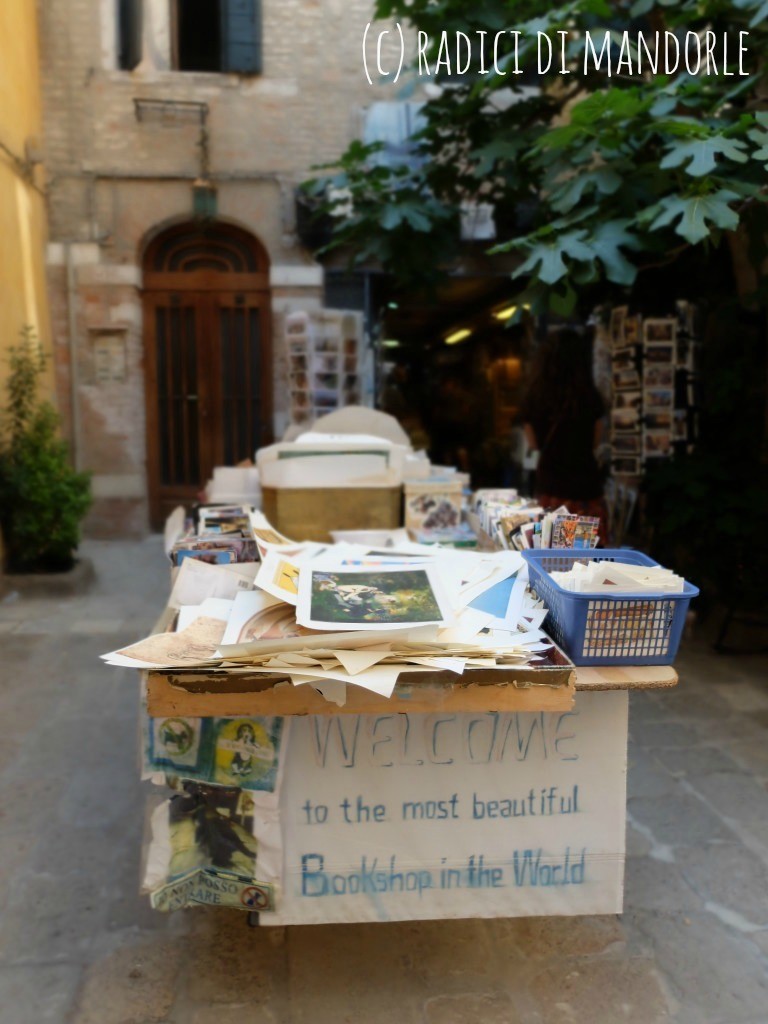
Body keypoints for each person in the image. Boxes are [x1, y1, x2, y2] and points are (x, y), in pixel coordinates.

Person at [521, 329, 609, 542]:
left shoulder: (535, 398)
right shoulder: (591, 398)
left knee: (554, 558)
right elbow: (595, 442)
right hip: (586, 491)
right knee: (588, 561)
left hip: (551, 491)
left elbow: (533, 445)